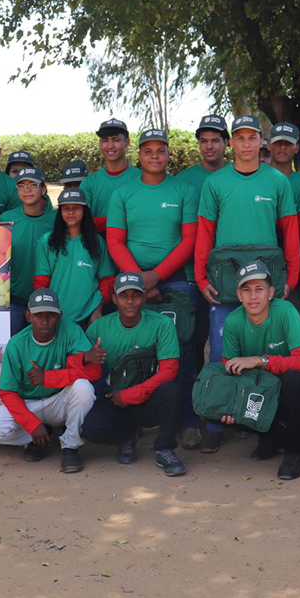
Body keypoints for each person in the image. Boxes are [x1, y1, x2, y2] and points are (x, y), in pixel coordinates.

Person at [195, 114, 300, 452]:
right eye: (239, 138)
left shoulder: (277, 182)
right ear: (232, 143)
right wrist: (200, 276)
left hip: (265, 281)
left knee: (263, 351)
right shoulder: (216, 183)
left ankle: (250, 417)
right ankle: (214, 421)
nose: (245, 143)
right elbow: (205, 232)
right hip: (226, 281)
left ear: (260, 142)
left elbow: (290, 233)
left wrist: (292, 276)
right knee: (223, 349)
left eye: (252, 137)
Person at [106, 129, 198, 449]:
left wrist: (156, 276)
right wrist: (139, 280)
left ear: (169, 154)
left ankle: (186, 422)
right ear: (139, 155)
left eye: (161, 150)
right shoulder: (123, 194)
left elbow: (189, 240)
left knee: (182, 352)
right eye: (149, 151)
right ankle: (131, 426)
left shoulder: (184, 190)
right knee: (134, 353)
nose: (155, 156)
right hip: (132, 282)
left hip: (174, 282)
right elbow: (115, 241)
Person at [212, 261, 300, 480]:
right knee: (216, 404)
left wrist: (260, 360)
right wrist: (228, 406)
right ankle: (271, 435)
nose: (253, 296)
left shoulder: (286, 311)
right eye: (247, 290)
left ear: (271, 292)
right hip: (264, 396)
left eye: (259, 289)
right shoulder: (234, 320)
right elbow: (230, 371)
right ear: (239, 294)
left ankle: (294, 452)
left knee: (293, 380)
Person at [0, 288, 102, 473]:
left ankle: (70, 445)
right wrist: (33, 425)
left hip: (59, 400)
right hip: (29, 403)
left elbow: (93, 372)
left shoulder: (71, 331)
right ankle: (36, 438)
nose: (45, 321)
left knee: (83, 388)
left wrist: (48, 378)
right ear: (28, 316)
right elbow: (7, 393)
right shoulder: (17, 343)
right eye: (39, 315)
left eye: (51, 315)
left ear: (59, 316)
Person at [81, 272, 187, 476]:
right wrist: (87, 358)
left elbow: (169, 371)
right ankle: (126, 436)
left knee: (172, 389)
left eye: (136, 295)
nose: (130, 301)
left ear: (144, 296)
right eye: (123, 295)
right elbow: (83, 368)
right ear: (114, 298)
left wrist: (130, 395)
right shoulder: (98, 328)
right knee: (89, 429)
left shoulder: (162, 324)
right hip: (113, 399)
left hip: (145, 400)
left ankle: (165, 449)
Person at [176, 114, 229, 442]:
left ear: (227, 143)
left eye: (215, 140)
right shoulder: (184, 179)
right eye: (203, 140)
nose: (209, 146)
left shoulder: (236, 176)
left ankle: (221, 414)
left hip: (228, 277)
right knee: (192, 347)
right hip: (191, 275)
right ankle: (191, 418)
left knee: (223, 346)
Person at [34, 188, 113, 328]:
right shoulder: (47, 241)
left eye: (76, 208)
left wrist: (97, 309)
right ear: (60, 212)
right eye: (66, 208)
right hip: (56, 317)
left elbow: (107, 280)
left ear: (84, 211)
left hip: (88, 319)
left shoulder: (97, 242)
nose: (71, 212)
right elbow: (41, 281)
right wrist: (45, 312)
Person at [0, 167, 57, 334]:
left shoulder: (55, 220)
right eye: (22, 186)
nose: (27, 190)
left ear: (43, 189)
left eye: (33, 185)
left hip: (47, 301)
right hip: (14, 301)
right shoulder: (6, 219)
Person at [80, 118, 140, 233]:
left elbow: (142, 220)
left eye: (116, 140)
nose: (110, 145)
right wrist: (123, 221)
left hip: (131, 248)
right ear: (100, 144)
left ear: (127, 142)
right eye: (105, 140)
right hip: (96, 247)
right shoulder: (89, 183)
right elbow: (82, 222)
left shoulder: (140, 178)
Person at [267, 122, 300, 246]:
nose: (283, 147)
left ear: (297, 148)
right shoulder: (255, 179)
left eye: (288, 143)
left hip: (292, 253)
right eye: (278, 143)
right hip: (256, 250)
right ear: (269, 146)